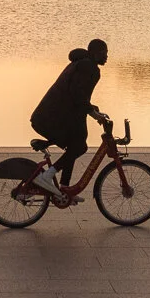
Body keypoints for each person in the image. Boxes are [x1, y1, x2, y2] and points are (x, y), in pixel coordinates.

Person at [30, 38, 108, 197]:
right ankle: (47, 176)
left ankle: (63, 189)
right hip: (52, 118)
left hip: (51, 116)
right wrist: (94, 114)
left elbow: (77, 96)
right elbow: (77, 94)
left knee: (75, 145)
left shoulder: (81, 64)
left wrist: (93, 110)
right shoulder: (89, 67)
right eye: (103, 53)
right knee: (79, 146)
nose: (106, 56)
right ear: (94, 53)